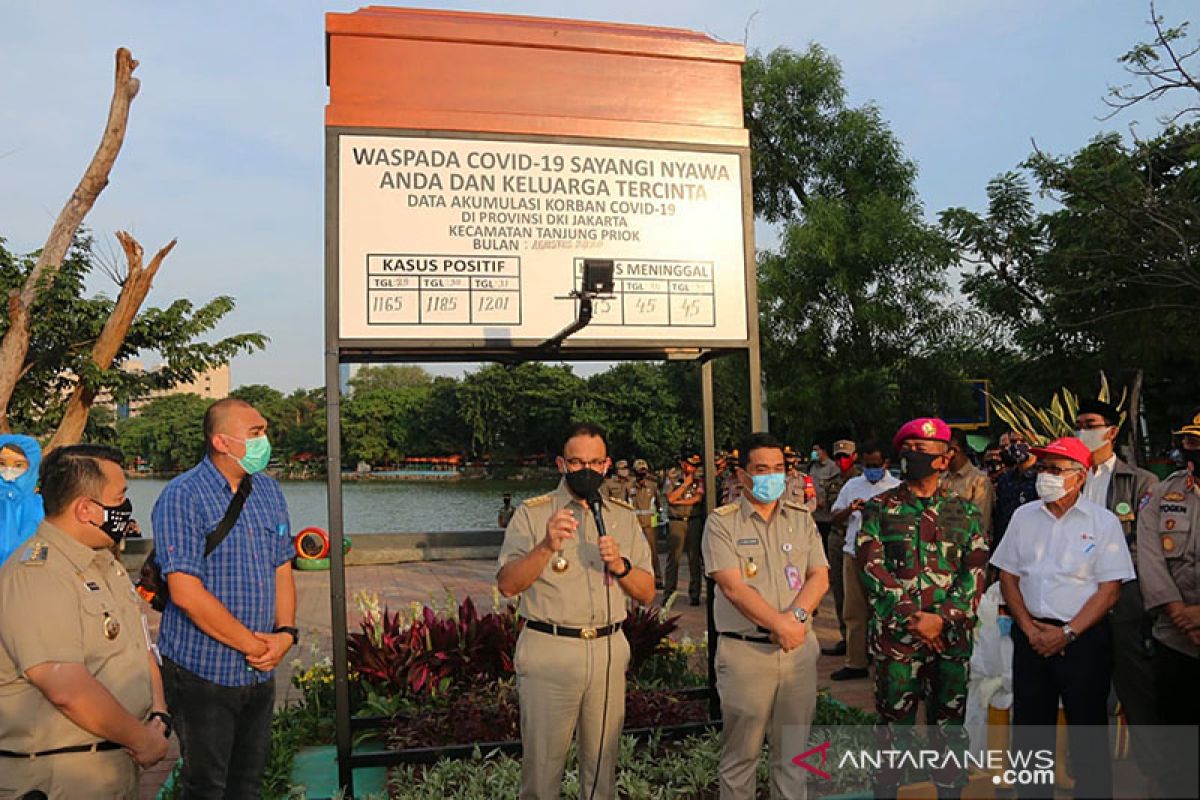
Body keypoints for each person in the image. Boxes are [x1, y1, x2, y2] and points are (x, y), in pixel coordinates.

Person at [497, 422, 654, 800]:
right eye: (576, 461)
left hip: (607, 649)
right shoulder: (533, 515)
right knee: (542, 771)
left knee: (602, 769)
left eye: (595, 462)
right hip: (550, 649)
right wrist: (546, 546)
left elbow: (647, 592)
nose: (586, 469)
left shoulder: (621, 514)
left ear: (607, 465)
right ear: (561, 464)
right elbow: (508, 584)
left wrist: (621, 567)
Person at [0, 444, 168, 797]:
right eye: (120, 496)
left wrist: (158, 713)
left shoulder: (105, 565)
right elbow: (65, 687)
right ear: (87, 509)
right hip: (62, 777)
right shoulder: (39, 575)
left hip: (114, 765)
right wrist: (143, 740)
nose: (126, 507)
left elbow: (139, 648)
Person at [153, 398, 297, 798]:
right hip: (204, 671)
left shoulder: (268, 491)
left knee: (247, 784)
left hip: (259, 669)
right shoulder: (183, 495)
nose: (264, 441)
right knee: (206, 786)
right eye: (254, 433)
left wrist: (284, 634)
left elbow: (282, 567)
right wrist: (253, 644)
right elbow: (184, 591)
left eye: (264, 431)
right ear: (221, 441)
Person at [990, 437, 1134, 800]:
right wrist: (1028, 628)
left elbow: (1109, 590)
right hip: (1031, 637)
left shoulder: (1103, 523)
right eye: (1043, 468)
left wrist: (1067, 633)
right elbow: (1007, 575)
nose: (1045, 476)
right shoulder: (1024, 516)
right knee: (1030, 735)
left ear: (1079, 477)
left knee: (1087, 734)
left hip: (1083, 642)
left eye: (1055, 469)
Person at [856, 418, 989, 799]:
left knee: (947, 727)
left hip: (950, 639)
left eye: (923, 452)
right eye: (908, 450)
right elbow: (870, 565)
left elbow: (975, 568)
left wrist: (942, 619)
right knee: (891, 728)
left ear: (944, 460)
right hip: (898, 638)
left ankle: (949, 791)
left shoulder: (963, 511)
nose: (912, 457)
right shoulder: (879, 508)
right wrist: (912, 617)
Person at [703, 432, 829, 799]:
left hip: (797, 651)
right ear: (742, 475)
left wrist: (797, 619)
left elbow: (819, 575)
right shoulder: (722, 523)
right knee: (741, 759)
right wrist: (779, 625)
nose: (771, 476)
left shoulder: (801, 519)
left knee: (794, 757)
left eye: (778, 468)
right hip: (746, 654)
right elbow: (732, 587)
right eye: (761, 469)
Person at [1072, 397, 1161, 779]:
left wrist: (1109, 571)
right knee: (1084, 690)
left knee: (1135, 688)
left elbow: (1147, 542)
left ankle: (1156, 772)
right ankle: (1087, 773)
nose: (1082, 431)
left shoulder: (1139, 481)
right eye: (1077, 424)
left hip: (1124, 598)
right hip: (1077, 599)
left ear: (1111, 430)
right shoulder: (1069, 479)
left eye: (1090, 423)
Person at [1136, 408, 1200, 798]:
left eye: (1197, 442)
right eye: (1189, 442)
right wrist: (1178, 612)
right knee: (1176, 733)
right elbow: (1148, 555)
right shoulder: (1162, 493)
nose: (1191, 449)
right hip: (1173, 636)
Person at [829, 441, 899, 680]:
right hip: (854, 554)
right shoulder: (852, 486)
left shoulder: (896, 487)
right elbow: (834, 517)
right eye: (867, 465)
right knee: (854, 611)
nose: (871, 470)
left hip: (884, 557)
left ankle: (887, 662)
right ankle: (856, 661)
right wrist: (851, 510)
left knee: (886, 611)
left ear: (886, 464)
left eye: (876, 465)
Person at [818, 440, 861, 657]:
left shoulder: (862, 480)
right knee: (839, 591)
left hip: (859, 541)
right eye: (838, 457)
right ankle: (846, 638)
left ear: (854, 456)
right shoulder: (833, 482)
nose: (841, 461)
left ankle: (864, 641)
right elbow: (827, 511)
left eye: (845, 456)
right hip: (837, 538)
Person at [941, 429, 995, 543]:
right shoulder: (940, 478)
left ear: (955, 450)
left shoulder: (979, 481)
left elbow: (981, 523)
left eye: (943, 450)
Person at [665, 453, 705, 605]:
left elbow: (698, 499)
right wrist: (684, 485)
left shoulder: (699, 479)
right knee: (673, 558)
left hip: (694, 520)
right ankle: (669, 593)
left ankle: (695, 594)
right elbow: (670, 498)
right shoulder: (673, 477)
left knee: (694, 558)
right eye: (690, 465)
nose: (693, 468)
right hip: (677, 522)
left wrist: (679, 501)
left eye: (695, 466)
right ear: (683, 464)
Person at [0, 434, 45, 566]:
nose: (9, 471)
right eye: (2, 463)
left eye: (18, 465)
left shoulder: (40, 508)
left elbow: (36, 561)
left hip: (22, 580)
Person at [992, 431, 1038, 547]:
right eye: (1013, 441)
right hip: (1007, 545)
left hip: (1032, 544)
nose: (1016, 445)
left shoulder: (1041, 478)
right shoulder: (1005, 479)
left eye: (1022, 441)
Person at [631, 459, 662, 589]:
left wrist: (657, 520)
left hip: (650, 523)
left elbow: (658, 504)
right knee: (634, 551)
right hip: (634, 522)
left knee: (653, 551)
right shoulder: (630, 486)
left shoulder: (652, 486)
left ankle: (658, 578)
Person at [807, 443, 839, 549]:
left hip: (826, 516)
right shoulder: (812, 466)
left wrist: (824, 499)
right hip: (813, 514)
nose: (814, 453)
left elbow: (835, 487)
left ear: (823, 451)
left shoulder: (832, 467)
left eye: (816, 450)